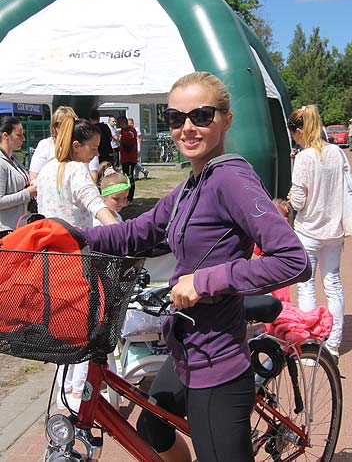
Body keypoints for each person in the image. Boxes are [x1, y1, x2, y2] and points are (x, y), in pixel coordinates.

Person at [77, 71, 311, 462]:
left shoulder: (232, 179)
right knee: (152, 424)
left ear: (226, 120)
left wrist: (206, 281)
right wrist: (69, 234)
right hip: (186, 346)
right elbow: (137, 232)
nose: (186, 127)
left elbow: (294, 260)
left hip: (217, 363)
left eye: (201, 116)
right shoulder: (191, 184)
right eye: (175, 118)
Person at [36, 114, 118, 410]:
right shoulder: (76, 171)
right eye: (93, 149)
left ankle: (63, 391)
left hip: (48, 261)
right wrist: (120, 232)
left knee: (61, 329)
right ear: (76, 146)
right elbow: (96, 205)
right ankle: (80, 395)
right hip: (76, 260)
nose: (95, 155)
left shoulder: (46, 170)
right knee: (89, 329)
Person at [288, 104, 345, 363]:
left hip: (308, 229)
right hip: (334, 229)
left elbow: (298, 201)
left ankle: (311, 346)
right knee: (333, 284)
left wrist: (291, 198)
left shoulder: (303, 158)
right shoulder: (336, 153)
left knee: (306, 287)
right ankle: (333, 344)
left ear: (299, 130)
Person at [30, 106, 99, 182]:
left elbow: (93, 174)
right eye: (58, 124)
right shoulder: (45, 145)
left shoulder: (84, 145)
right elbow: (34, 177)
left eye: (68, 124)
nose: (64, 127)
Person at [0, 116, 36, 237]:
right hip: (5, 231)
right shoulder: (1, 163)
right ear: (5, 136)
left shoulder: (14, 159)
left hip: (19, 227)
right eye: (19, 135)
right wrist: (27, 193)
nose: (23, 139)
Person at [116, 116, 138, 204]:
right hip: (124, 158)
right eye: (119, 123)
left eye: (121, 122)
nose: (120, 124)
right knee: (125, 177)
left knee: (130, 177)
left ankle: (129, 198)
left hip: (130, 158)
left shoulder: (131, 130)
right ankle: (125, 197)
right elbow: (123, 144)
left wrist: (123, 131)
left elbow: (129, 140)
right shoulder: (124, 131)